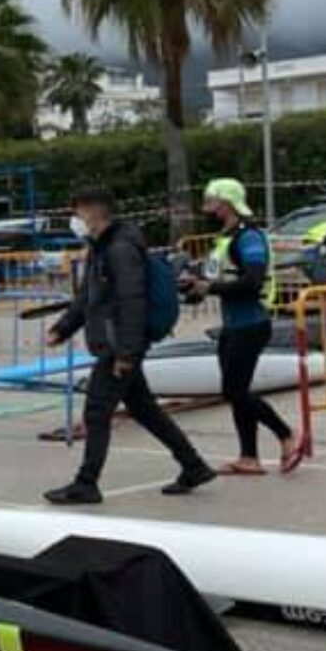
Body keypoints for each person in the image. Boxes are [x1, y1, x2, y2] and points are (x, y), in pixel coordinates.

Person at [43, 187, 215, 505]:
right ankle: (193, 465)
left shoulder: (121, 249)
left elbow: (132, 301)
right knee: (145, 409)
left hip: (117, 346)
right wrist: (62, 328)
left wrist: (127, 352)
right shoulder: (100, 248)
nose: (74, 219)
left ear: (93, 211)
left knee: (96, 413)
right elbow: (88, 297)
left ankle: (86, 484)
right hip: (115, 343)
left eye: (77, 211)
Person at [187, 179, 302, 476]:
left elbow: (252, 281)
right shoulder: (225, 237)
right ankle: (249, 457)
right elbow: (217, 279)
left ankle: (287, 434)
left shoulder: (249, 237)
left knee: (235, 391)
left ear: (227, 203)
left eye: (212, 201)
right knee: (236, 391)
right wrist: (194, 287)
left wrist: (209, 287)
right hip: (233, 325)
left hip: (251, 324)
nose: (207, 207)